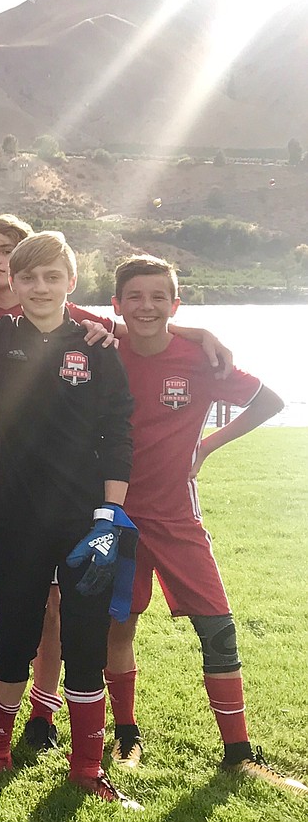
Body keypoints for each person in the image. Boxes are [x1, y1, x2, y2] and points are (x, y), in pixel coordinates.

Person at [0, 231, 140, 808]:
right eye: (26, 277)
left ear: (70, 283)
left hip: (89, 520)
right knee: (15, 633)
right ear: (11, 282)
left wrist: (111, 511)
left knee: (85, 637)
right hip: (19, 515)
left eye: (51, 277)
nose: (38, 287)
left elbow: (119, 429)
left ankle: (87, 767)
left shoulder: (98, 346)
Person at [103, 255, 306, 795]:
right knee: (118, 624)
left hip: (175, 515)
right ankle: (126, 736)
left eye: (159, 297)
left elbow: (271, 399)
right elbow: (50, 308)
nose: (147, 306)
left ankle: (239, 753)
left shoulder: (199, 358)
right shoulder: (103, 345)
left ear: (176, 304)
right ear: (117, 304)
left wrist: (207, 446)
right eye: (135, 297)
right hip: (114, 513)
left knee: (217, 625)